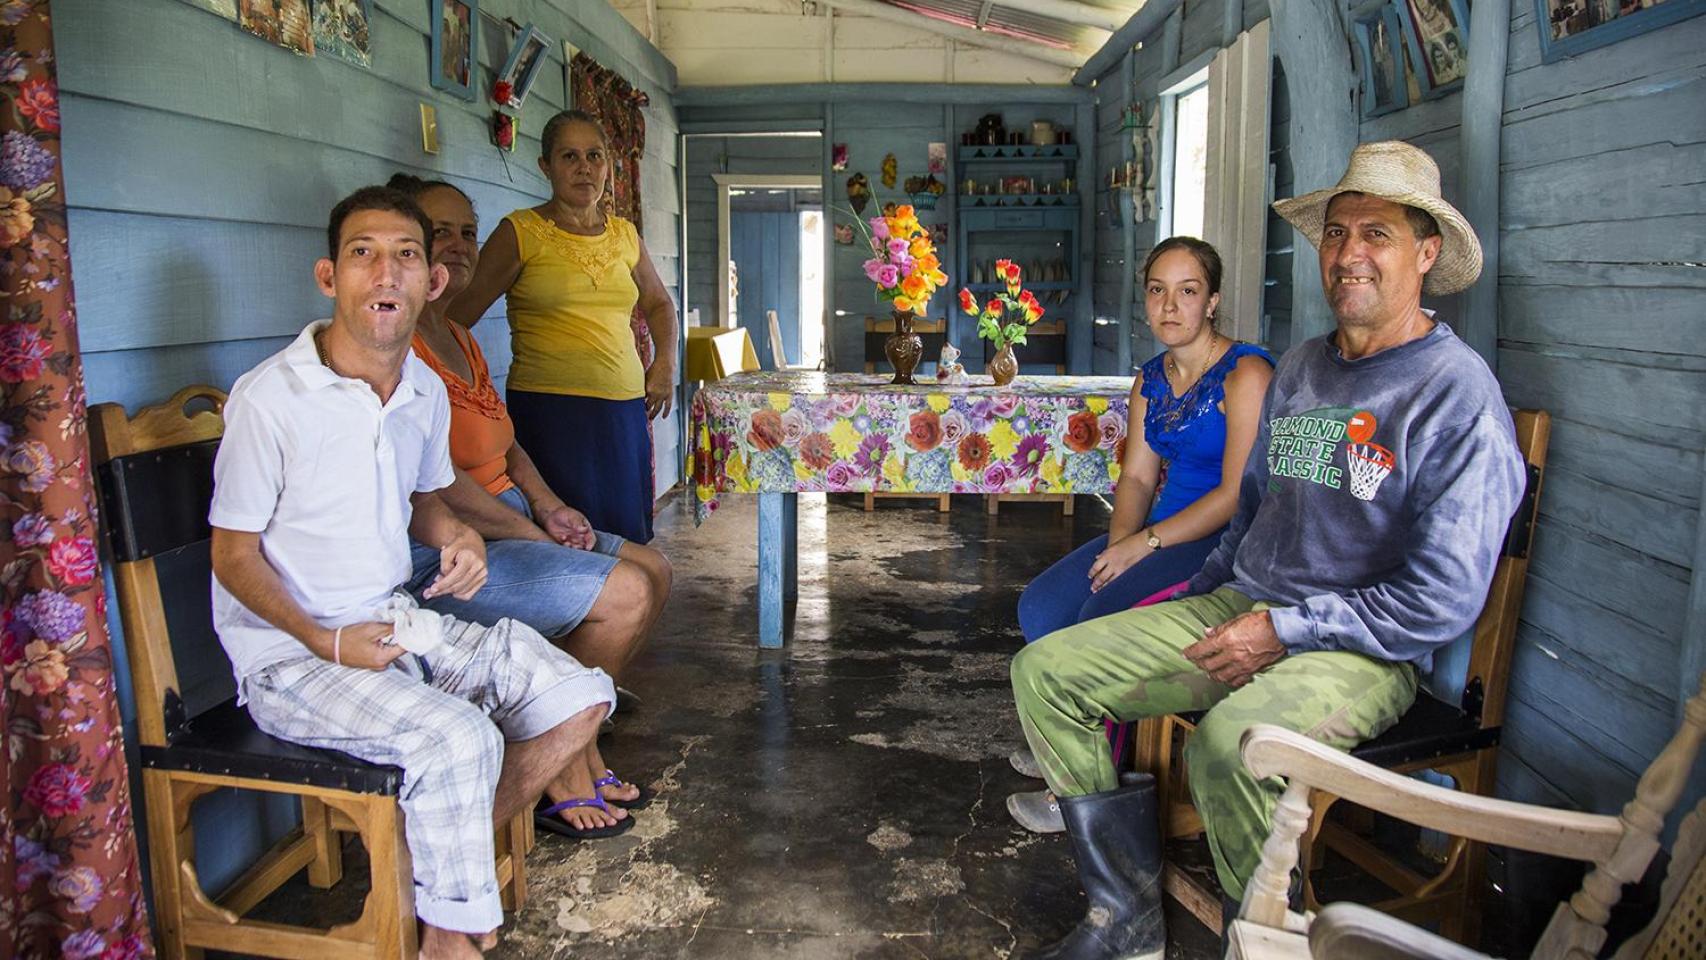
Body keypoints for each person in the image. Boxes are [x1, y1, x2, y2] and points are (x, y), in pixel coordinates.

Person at [1008, 141, 1526, 960]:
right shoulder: (1307, 367)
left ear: (1427, 254)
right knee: (1044, 672)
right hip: (1241, 604)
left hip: (1361, 650)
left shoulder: (1455, 396)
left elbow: (1442, 598)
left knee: (1232, 748)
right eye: (1337, 233)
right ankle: (1127, 920)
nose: (1349, 254)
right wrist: (1205, 597)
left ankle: (1264, 944)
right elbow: (1251, 510)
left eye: (1378, 234)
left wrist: (1285, 629)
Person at [209, 185, 614, 959]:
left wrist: (460, 535)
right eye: (363, 254)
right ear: (330, 277)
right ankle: (448, 934)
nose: (385, 273)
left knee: (580, 695)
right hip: (292, 658)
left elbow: (425, 502)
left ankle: (421, 857)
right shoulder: (272, 399)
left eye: (405, 256)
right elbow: (232, 555)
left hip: (393, 622)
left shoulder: (423, 389)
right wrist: (325, 642)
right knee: (461, 739)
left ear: (433, 281)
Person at [388, 172, 672, 838]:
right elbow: (437, 486)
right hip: (447, 551)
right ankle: (562, 763)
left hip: (507, 516)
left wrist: (549, 507)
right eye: (438, 233)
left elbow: (505, 441)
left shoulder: (457, 336)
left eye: (467, 232)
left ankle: (571, 732)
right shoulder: (403, 352)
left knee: (655, 571)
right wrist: (528, 532)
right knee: (624, 593)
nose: (459, 246)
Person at [1007, 238, 1273, 832]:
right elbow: (1135, 477)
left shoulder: (1246, 374)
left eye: (1187, 291)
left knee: (1100, 620)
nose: (1170, 306)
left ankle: (1086, 787)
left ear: (1212, 301)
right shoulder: (1152, 379)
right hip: (1157, 533)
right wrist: (1119, 547)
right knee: (1042, 607)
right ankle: (1069, 739)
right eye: (1158, 291)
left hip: (1223, 544)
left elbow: (1236, 494)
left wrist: (1145, 547)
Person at [450, 109, 679, 544]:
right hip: (552, 413)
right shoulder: (521, 232)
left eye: (594, 156)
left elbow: (659, 304)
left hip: (624, 410)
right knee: (568, 539)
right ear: (546, 166)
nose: (584, 168)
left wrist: (665, 363)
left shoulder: (625, 235)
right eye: (569, 156)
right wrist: (463, 394)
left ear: (608, 166)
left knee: (626, 537)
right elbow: (459, 316)